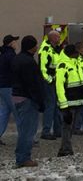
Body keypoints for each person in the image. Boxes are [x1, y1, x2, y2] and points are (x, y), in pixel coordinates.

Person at [12, 35, 44, 168]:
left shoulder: (17, 59)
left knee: (23, 128)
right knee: (28, 131)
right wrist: (40, 101)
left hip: (16, 96)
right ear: (32, 47)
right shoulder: (28, 62)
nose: (37, 47)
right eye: (35, 45)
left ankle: (21, 156)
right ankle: (23, 158)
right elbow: (33, 84)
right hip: (27, 98)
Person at [55, 44, 83, 157]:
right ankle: (65, 149)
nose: (78, 54)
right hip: (69, 103)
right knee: (67, 127)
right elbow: (59, 86)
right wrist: (64, 106)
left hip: (77, 101)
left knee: (71, 127)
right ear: (71, 54)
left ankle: (66, 148)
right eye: (76, 52)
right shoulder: (63, 65)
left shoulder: (75, 63)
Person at [38, 30, 63, 140]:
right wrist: (49, 80)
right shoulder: (45, 49)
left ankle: (58, 130)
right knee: (50, 106)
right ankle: (46, 131)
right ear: (52, 38)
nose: (59, 38)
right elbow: (43, 68)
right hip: (49, 82)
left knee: (56, 106)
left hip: (56, 82)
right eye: (58, 37)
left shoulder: (55, 49)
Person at [0, 35, 19, 145]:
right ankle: (27, 138)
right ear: (11, 43)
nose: (17, 43)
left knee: (4, 112)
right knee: (18, 112)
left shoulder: (3, 55)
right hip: (9, 86)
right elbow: (16, 70)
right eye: (15, 41)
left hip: (2, 86)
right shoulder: (11, 55)